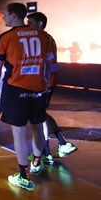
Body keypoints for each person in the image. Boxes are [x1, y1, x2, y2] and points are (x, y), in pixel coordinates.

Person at [0, 3, 54, 192]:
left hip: (15, 89)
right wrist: (45, 84)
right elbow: (48, 65)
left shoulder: (6, 37)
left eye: (5, 15)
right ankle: (36, 162)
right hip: (38, 89)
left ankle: (23, 176)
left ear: (13, 15)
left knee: (18, 133)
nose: (3, 18)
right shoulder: (44, 36)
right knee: (37, 127)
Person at [26, 12, 77, 162]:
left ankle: (48, 152)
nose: (28, 26)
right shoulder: (46, 38)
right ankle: (55, 147)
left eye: (31, 23)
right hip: (45, 81)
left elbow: (44, 62)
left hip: (43, 82)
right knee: (40, 115)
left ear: (40, 23)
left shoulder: (42, 39)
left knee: (38, 116)